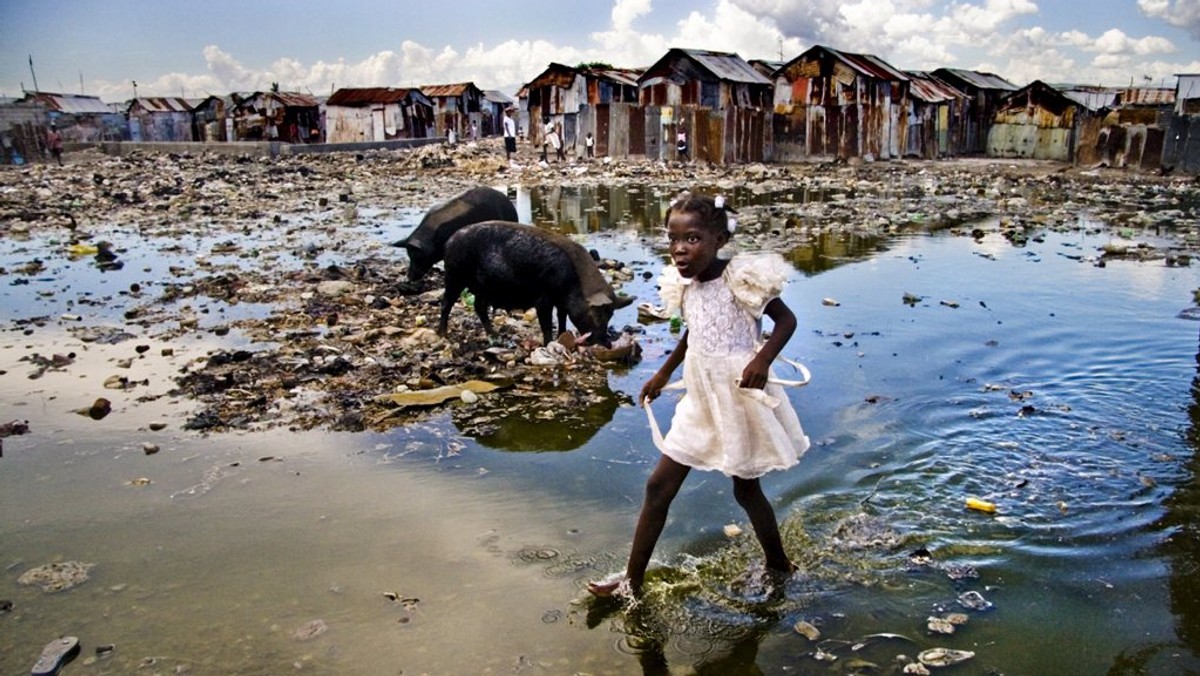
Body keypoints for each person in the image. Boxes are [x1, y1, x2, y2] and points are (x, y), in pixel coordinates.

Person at [588, 191, 809, 598]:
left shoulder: (740, 280)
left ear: (718, 240)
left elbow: (786, 321)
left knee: (745, 489)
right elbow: (693, 331)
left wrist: (761, 360)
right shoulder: (685, 286)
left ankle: (779, 564)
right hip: (700, 396)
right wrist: (663, 372)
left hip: (739, 394)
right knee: (658, 487)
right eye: (672, 240)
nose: (679, 250)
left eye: (691, 240)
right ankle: (630, 583)